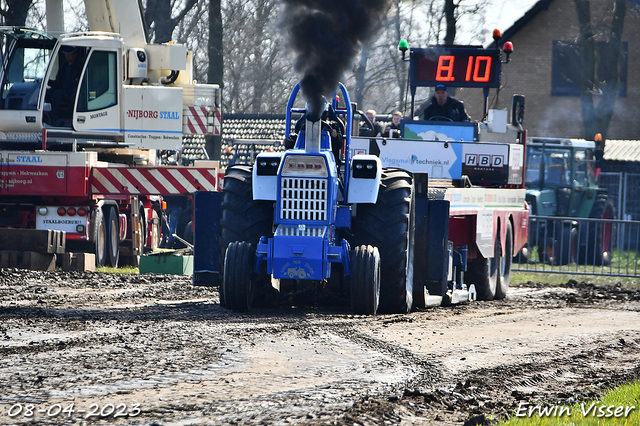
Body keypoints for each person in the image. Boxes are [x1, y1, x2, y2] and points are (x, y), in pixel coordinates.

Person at [47, 46, 84, 125]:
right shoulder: (63, 68)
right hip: (62, 91)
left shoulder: (79, 67)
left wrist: (77, 81)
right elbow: (58, 83)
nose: (67, 56)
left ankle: (53, 117)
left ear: (74, 55)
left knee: (57, 94)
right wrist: (48, 82)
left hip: (71, 94)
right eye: (65, 54)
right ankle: (45, 115)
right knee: (47, 92)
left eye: (69, 54)